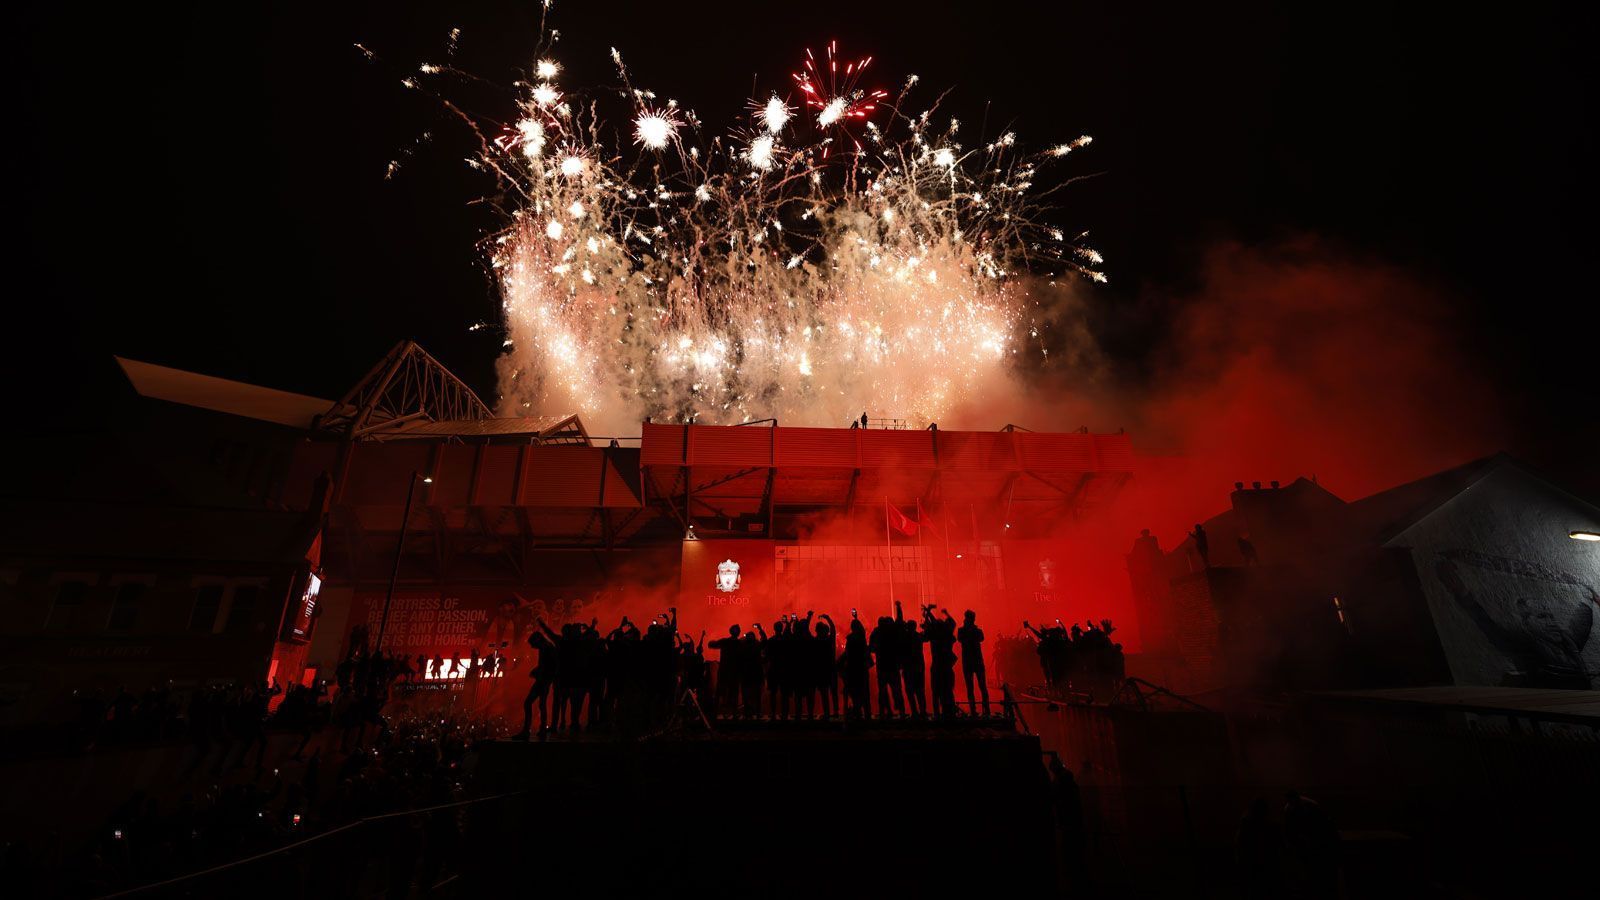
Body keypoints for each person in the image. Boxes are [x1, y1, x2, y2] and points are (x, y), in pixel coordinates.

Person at [1235, 798, 1283, 900]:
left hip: (1251, 865)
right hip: (1266, 866)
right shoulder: (1271, 827)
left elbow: (1240, 844)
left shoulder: (1246, 825)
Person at [869, 614, 904, 718]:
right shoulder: (893, 632)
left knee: (883, 691)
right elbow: (899, 622)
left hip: (882, 666)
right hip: (893, 665)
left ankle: (886, 712)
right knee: (896, 690)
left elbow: (871, 648)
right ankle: (900, 711)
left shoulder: (876, 632)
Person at [957, 609, 990, 716]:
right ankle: (986, 710)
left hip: (967, 662)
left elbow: (961, 639)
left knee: (970, 687)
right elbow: (981, 638)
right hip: (978, 661)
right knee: (982, 686)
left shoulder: (961, 630)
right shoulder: (977, 631)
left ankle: (973, 711)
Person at [708, 624, 744, 718]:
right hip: (735, 672)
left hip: (724, 670)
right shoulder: (740, 643)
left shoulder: (725, 641)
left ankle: (714, 713)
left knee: (720, 691)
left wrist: (713, 641)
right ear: (738, 632)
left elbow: (711, 644)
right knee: (733, 692)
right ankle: (734, 713)